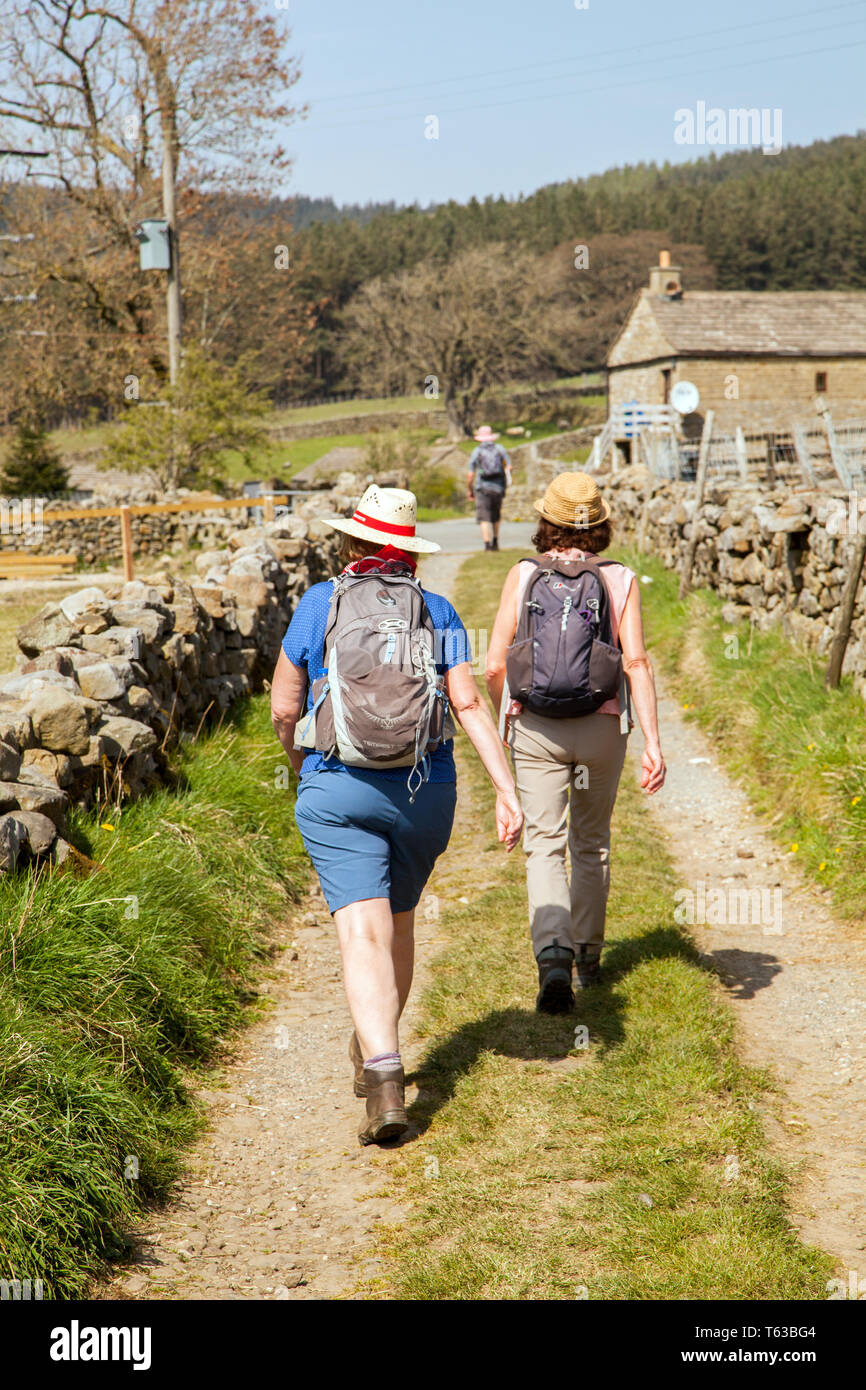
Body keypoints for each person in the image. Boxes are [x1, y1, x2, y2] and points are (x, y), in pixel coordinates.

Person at [270, 484, 523, 1145]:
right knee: (399, 924)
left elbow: (282, 706)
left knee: (363, 932)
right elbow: (467, 704)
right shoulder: (436, 610)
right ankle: (378, 1044)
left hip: (337, 788)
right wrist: (506, 789)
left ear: (352, 543)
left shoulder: (318, 604)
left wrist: (302, 767)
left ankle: (384, 1072)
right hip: (423, 791)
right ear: (409, 553)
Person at [485, 471, 666, 1013]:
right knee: (592, 843)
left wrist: (508, 715)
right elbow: (634, 661)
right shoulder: (620, 578)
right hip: (601, 726)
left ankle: (553, 955)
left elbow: (494, 663)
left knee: (544, 842)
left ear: (547, 521)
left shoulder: (522, 574)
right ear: (600, 523)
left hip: (537, 726)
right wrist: (652, 740)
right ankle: (588, 959)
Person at [467, 424, 511, 552]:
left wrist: (470, 489)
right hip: (498, 487)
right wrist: (506, 482)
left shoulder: (477, 451)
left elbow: (470, 475)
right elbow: (509, 467)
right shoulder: (500, 449)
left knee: (484, 517)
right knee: (496, 515)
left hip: (482, 488)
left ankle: (487, 545)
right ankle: (496, 542)